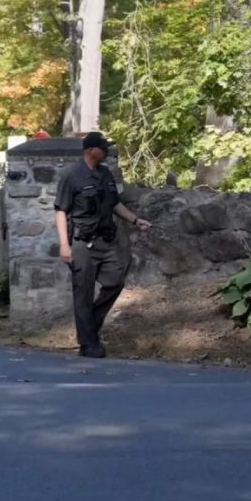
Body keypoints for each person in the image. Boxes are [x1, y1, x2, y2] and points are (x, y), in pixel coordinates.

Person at [54, 132, 152, 358]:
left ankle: (89, 328)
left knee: (115, 281)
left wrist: (136, 220)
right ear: (90, 150)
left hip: (104, 241)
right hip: (81, 243)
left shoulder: (105, 173)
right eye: (102, 147)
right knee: (83, 293)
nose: (106, 150)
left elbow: (115, 204)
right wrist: (64, 245)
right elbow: (61, 211)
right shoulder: (72, 176)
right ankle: (89, 345)